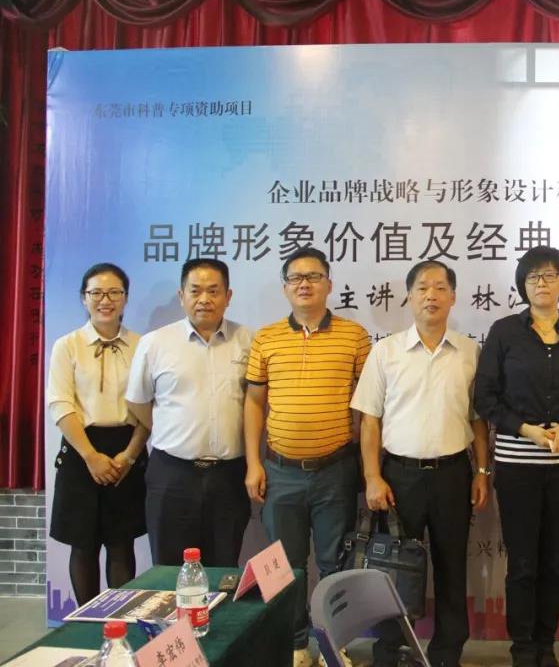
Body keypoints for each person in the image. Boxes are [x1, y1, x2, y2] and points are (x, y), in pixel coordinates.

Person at [352, 260, 490, 667]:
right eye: (423, 288)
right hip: (399, 476)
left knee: (452, 567)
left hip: (453, 474)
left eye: (440, 288)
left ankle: (447, 654)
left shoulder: (470, 352)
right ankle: (390, 653)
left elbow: (478, 420)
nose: (432, 295)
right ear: (409, 297)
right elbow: (370, 421)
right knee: (393, 570)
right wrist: (372, 476)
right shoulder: (386, 351)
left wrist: (482, 472)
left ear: (453, 297)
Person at [474, 246, 559, 667]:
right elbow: (485, 399)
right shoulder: (504, 333)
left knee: (552, 561)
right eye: (533, 277)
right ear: (522, 285)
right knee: (522, 563)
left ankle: (546, 646)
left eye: (550, 276)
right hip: (517, 466)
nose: (541, 283)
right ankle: (523, 649)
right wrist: (526, 429)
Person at [243, 247, 371, 667]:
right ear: (285, 288)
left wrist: (368, 467)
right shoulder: (266, 338)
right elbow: (254, 403)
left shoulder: (355, 336)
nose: (304, 284)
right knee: (285, 566)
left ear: (329, 285)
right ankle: (295, 645)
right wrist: (253, 463)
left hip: (336, 470)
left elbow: (368, 408)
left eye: (313, 276)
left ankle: (335, 645)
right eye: (296, 278)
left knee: (336, 564)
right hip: (280, 471)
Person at [126, 258, 252, 568]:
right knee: (170, 570)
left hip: (229, 476)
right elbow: (138, 401)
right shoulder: (155, 343)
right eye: (195, 291)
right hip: (172, 475)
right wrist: (170, 431)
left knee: (224, 567)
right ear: (182, 296)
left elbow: (257, 403)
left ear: (228, 296)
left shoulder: (249, 341)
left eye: (214, 291)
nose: (204, 299)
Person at [47, 263, 148, 606]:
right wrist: (91, 456)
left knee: (121, 543)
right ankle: (88, 624)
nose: (106, 300)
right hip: (81, 451)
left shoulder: (142, 345)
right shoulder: (67, 345)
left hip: (127, 451)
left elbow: (150, 406)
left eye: (114, 292)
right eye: (96, 293)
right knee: (83, 544)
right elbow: (60, 404)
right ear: (84, 297)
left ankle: (121, 622)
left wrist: (129, 456)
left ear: (125, 298)